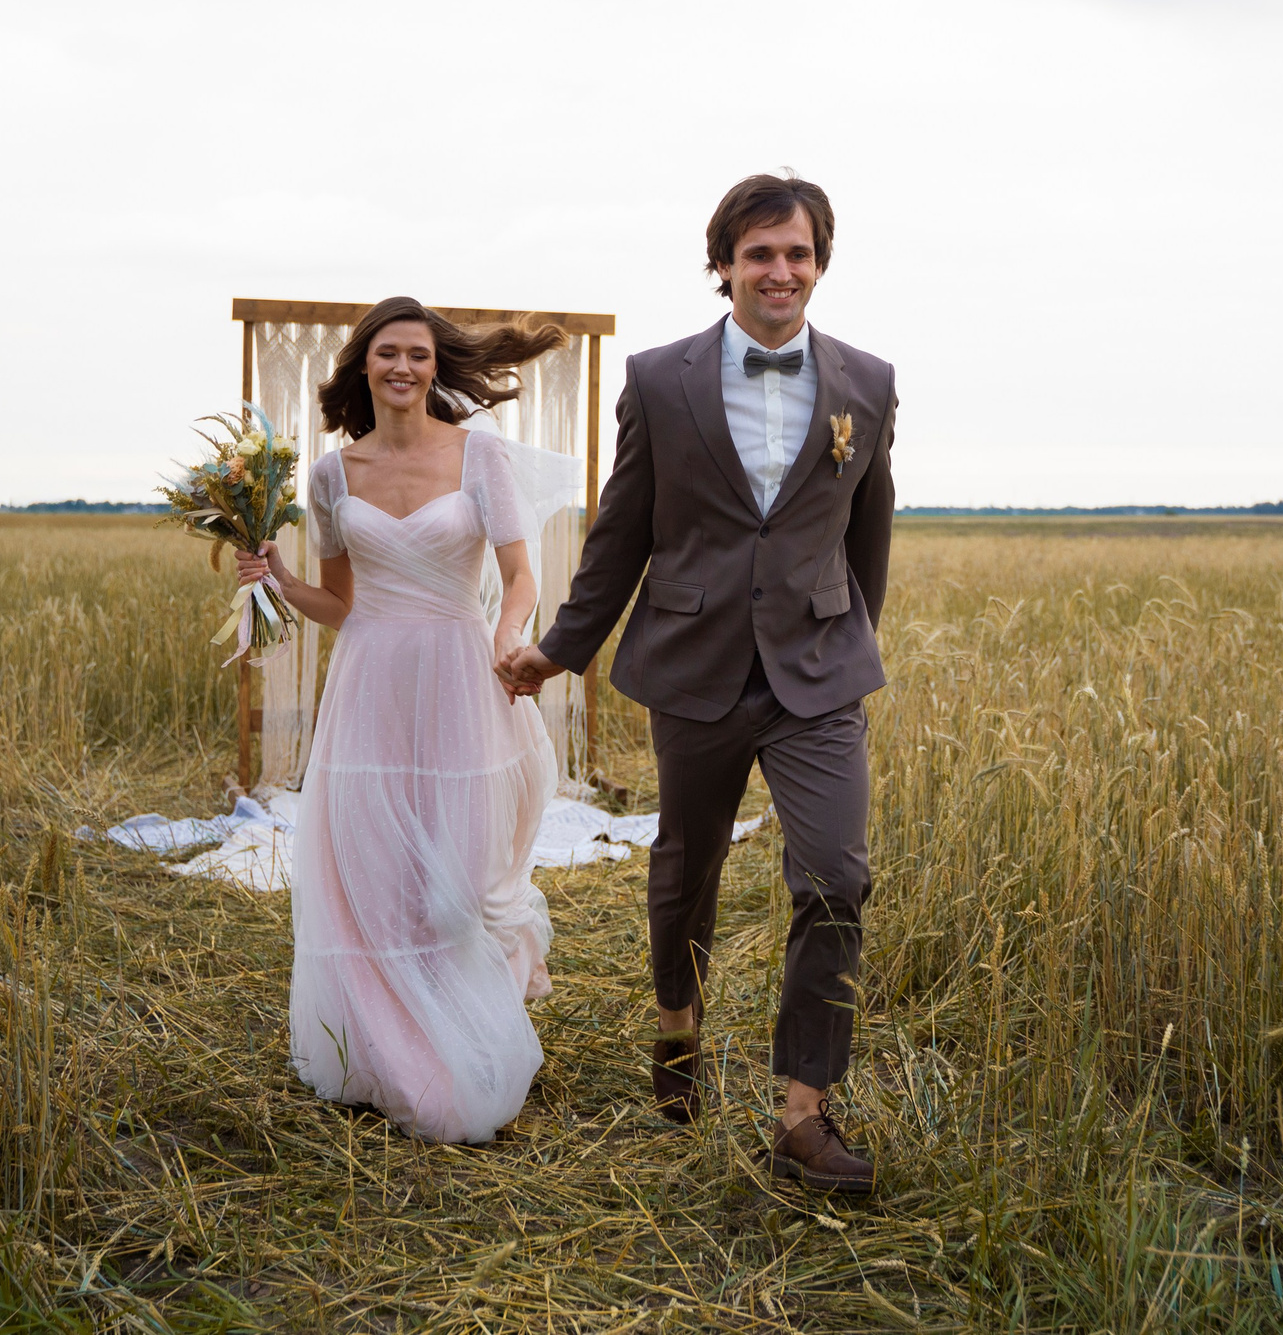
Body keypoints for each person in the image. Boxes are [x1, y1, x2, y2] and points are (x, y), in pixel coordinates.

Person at [499, 172, 897, 1194]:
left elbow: (868, 534)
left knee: (836, 879)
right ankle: (677, 1024)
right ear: (723, 264)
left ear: (820, 264)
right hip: (694, 665)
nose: (779, 271)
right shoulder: (659, 380)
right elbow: (622, 531)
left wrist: (847, 639)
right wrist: (561, 648)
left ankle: (803, 1115)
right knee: (686, 869)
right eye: (759, 253)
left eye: (797, 253)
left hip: (817, 677)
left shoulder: (867, 383)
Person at [236, 297, 568, 1144]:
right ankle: (383, 1049)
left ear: (434, 366)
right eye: (389, 353)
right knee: (374, 870)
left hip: (459, 672)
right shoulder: (331, 475)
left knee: (453, 878)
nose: (404, 367)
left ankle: (462, 1021)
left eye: (419, 354)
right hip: (371, 681)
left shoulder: (479, 455)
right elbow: (340, 602)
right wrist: (278, 578)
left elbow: (520, 576)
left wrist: (508, 630)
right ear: (364, 365)